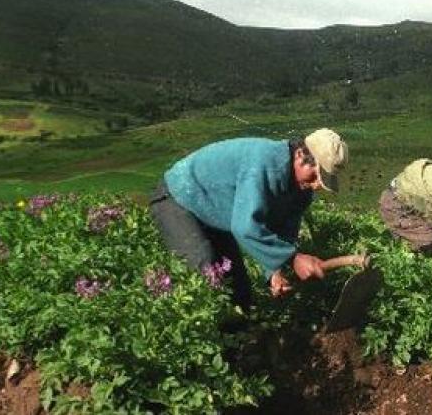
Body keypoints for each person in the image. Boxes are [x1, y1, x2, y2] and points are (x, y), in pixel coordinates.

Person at [149, 128, 348, 308]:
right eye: (314, 176)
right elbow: (245, 227)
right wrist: (293, 258)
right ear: (299, 155)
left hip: (216, 212)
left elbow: (283, 231)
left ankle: (241, 343)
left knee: (239, 292)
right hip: (179, 197)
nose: (315, 185)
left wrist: (275, 271)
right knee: (205, 277)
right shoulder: (264, 164)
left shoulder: (301, 191)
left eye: (320, 181)